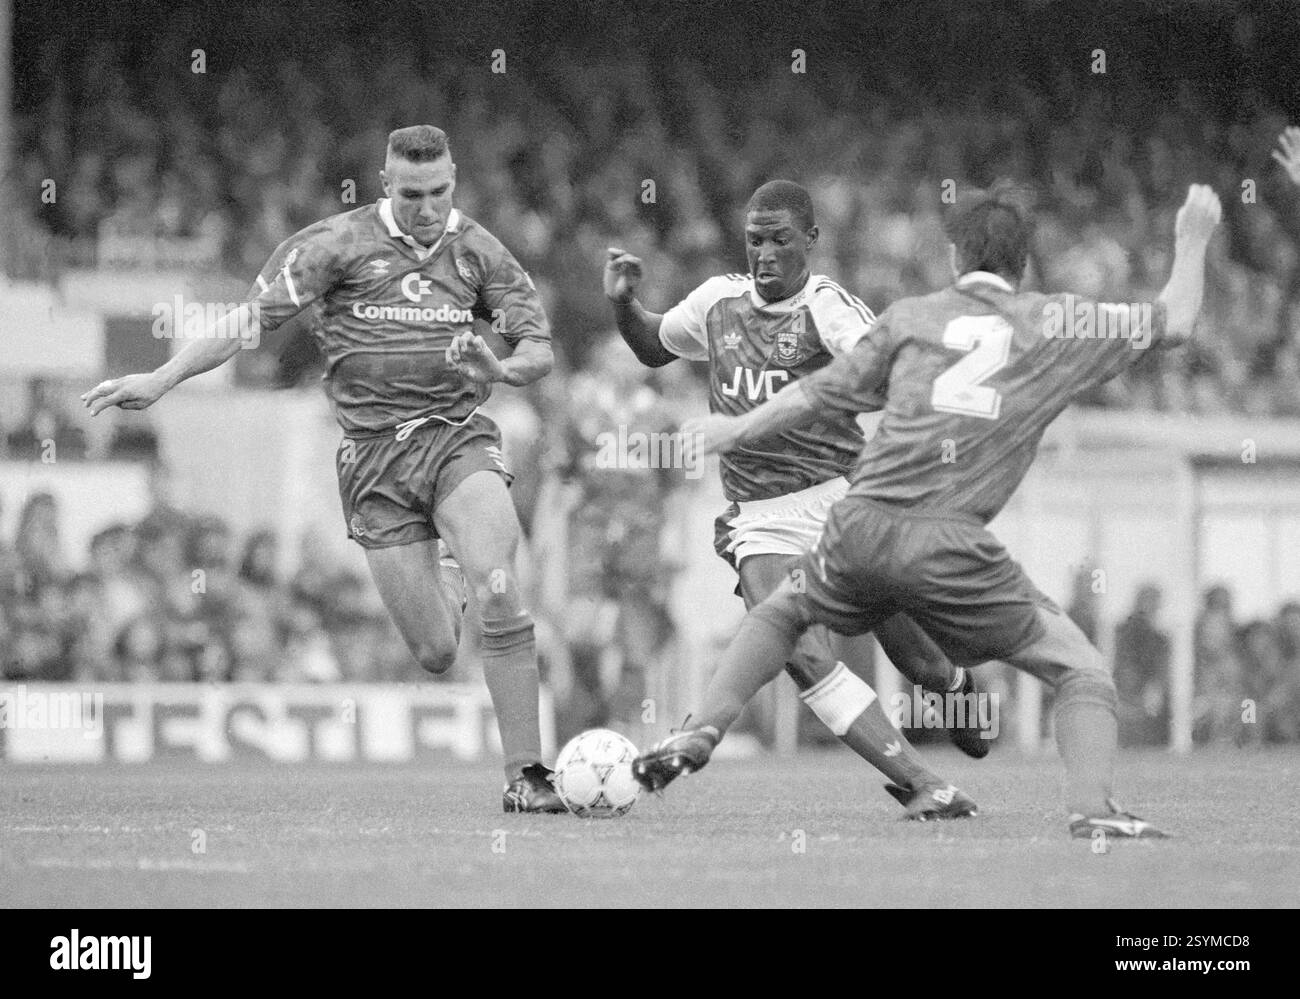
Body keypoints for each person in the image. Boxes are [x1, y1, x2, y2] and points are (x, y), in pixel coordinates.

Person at [633, 180, 1223, 839]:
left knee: (781, 614)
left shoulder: (910, 317)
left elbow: (816, 395)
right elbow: (1175, 321)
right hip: (948, 537)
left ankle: (702, 728)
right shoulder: (1059, 320)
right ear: (1021, 264)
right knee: (1078, 666)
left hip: (858, 520)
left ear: (953, 259)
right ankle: (1091, 808)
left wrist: (733, 431)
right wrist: (1191, 238)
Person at [82, 125, 563, 812]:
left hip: (456, 437)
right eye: (411, 193)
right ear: (384, 184)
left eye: (439, 192)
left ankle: (527, 774)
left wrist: (501, 366)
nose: (428, 208)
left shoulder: (479, 251)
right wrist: (162, 378)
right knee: (433, 648)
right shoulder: (333, 246)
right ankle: (449, 582)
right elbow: (249, 320)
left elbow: (537, 347)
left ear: (454, 179)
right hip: (372, 461)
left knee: (500, 581)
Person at [604, 181, 988, 819]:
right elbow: (652, 344)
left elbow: (886, 370)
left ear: (811, 240)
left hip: (839, 500)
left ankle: (954, 686)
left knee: (914, 655)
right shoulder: (717, 301)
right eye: (756, 239)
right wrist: (623, 304)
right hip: (760, 519)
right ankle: (925, 784)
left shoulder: (828, 308)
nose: (766, 252)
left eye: (781, 239)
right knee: (803, 654)